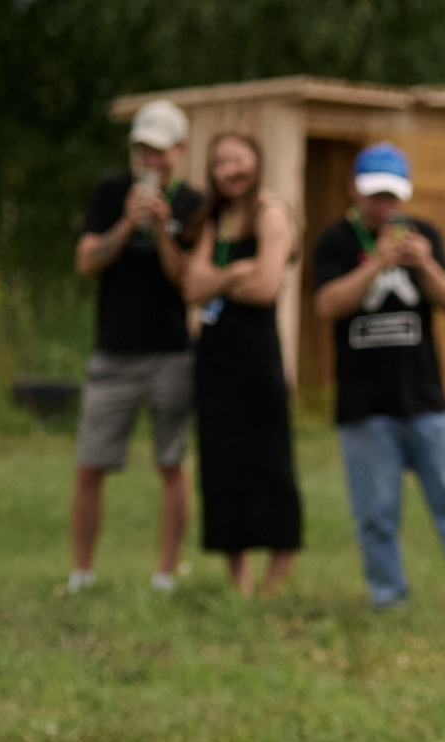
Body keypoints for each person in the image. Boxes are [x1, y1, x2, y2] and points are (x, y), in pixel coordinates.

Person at [312, 142, 445, 611]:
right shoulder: (336, 241)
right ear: (354, 191)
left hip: (426, 400)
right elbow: (327, 305)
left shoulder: (425, 235)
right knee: (376, 515)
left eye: (392, 196)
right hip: (363, 403)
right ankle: (389, 598)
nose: (385, 206)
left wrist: (424, 264)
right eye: (375, 195)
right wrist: (378, 262)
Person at [68, 100, 203, 594]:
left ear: (180, 151)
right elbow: (86, 262)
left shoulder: (193, 204)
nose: (150, 160)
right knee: (90, 464)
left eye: (160, 151)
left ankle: (164, 574)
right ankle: (82, 572)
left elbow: (186, 282)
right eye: (142, 149)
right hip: (114, 350)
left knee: (172, 463)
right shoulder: (110, 191)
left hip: (170, 351)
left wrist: (164, 229)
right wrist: (126, 223)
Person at [180, 133, 302, 596]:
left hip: (257, 355)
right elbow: (192, 288)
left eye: (238, 160)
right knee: (222, 462)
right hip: (214, 356)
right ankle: (239, 579)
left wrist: (220, 278)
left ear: (257, 163)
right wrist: (236, 274)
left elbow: (268, 286)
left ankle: (276, 575)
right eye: (220, 163)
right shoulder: (213, 218)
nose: (229, 170)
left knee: (270, 461)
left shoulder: (270, 213)